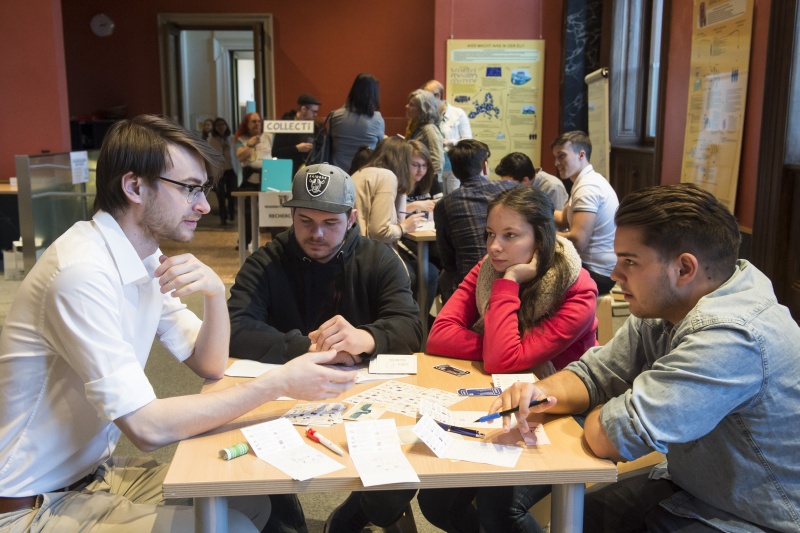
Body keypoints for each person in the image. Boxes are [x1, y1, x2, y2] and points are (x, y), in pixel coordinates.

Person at [0, 115, 358, 533]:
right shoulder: (80, 273)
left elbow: (210, 365)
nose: (204, 205)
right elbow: (147, 428)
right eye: (190, 189)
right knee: (235, 526)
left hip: (93, 476)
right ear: (134, 187)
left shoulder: (144, 256)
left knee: (252, 499)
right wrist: (277, 382)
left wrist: (212, 295)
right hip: (30, 503)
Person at [492, 183, 800, 533]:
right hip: (692, 485)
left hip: (755, 516)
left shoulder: (733, 337)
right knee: (577, 519)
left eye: (630, 261)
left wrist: (603, 408)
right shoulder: (664, 306)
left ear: (684, 269)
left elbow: (612, 436)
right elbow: (596, 375)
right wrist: (540, 392)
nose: (614, 273)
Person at [418, 186, 598, 533]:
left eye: (510, 235)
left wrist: (510, 282)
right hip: (504, 399)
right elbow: (439, 336)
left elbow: (501, 360)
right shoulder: (487, 268)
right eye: (490, 234)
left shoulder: (578, 289)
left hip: (565, 405)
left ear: (541, 241)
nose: (494, 247)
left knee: (500, 506)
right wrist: (500, 346)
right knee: (435, 499)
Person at [228, 162, 422, 365]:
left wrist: (365, 338)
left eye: (330, 223)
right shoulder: (264, 263)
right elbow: (235, 327)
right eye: (305, 220)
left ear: (351, 219)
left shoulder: (380, 260)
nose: (316, 234)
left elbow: (410, 328)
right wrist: (311, 350)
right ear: (292, 214)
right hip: (285, 385)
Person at [434, 139, 516, 303]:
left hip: (472, 284)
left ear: (455, 173)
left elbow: (448, 261)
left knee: (445, 275)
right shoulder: (511, 189)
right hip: (514, 274)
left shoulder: (445, 204)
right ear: (485, 166)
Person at [551, 131, 618, 294]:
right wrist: (534, 210)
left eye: (562, 156)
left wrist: (539, 235)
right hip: (596, 267)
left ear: (581, 155)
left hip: (598, 273)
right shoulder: (584, 181)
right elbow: (563, 219)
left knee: (531, 276)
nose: (556, 163)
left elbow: (577, 241)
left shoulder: (588, 187)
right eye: (555, 157)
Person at [351, 137, 425, 244]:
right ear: (402, 162)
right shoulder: (386, 177)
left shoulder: (361, 172)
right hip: (368, 252)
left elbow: (398, 220)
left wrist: (403, 184)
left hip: (354, 248)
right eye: (410, 163)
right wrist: (404, 228)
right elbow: (380, 231)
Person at [422, 79, 472, 193]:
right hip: (433, 167)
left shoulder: (458, 113)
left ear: (438, 95)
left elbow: (468, 141)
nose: (424, 101)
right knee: (437, 201)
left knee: (453, 199)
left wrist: (449, 142)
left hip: (453, 167)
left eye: (427, 97)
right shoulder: (426, 115)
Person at [329, 73, 385, 172]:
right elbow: (380, 148)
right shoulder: (377, 119)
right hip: (364, 172)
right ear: (374, 94)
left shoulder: (335, 115)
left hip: (337, 172)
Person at [235, 112, 272, 250]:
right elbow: (240, 157)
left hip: (269, 180)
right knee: (248, 214)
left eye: (259, 121)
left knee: (270, 211)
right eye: (253, 122)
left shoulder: (269, 137)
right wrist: (250, 145)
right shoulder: (242, 139)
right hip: (249, 180)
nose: (257, 124)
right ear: (247, 125)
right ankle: (245, 240)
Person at [495, 151, 568, 212]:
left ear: (525, 179)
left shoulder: (552, 186)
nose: (506, 187)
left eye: (509, 184)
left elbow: (557, 223)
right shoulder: (524, 184)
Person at [272, 92, 322, 176]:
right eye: (313, 111)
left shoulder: (315, 127)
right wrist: (296, 148)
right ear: (303, 109)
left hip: (309, 171)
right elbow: (275, 152)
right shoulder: (286, 125)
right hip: (288, 172)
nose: (315, 115)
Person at [405, 88, 445, 184]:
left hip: (425, 183)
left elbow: (437, 161)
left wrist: (430, 185)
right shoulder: (414, 126)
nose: (406, 106)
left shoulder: (429, 130)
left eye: (412, 105)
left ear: (422, 109)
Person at [207, 116, 238, 225]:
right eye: (218, 125)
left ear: (226, 126)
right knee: (220, 195)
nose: (221, 127)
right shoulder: (211, 139)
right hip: (218, 171)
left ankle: (231, 213)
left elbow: (235, 153)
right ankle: (223, 218)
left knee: (231, 193)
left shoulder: (232, 138)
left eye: (222, 125)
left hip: (231, 169)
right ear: (215, 127)